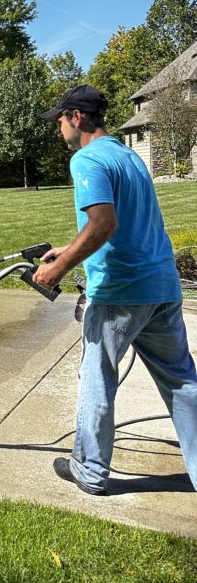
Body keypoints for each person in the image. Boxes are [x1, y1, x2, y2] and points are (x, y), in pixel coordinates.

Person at [33, 84, 197, 495]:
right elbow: (123, 221)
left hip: (120, 293)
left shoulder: (87, 158)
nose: (58, 128)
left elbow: (104, 223)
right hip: (161, 285)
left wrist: (61, 268)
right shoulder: (127, 155)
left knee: (97, 377)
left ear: (75, 117)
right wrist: (68, 249)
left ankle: (89, 469)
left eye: (59, 120)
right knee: (182, 383)